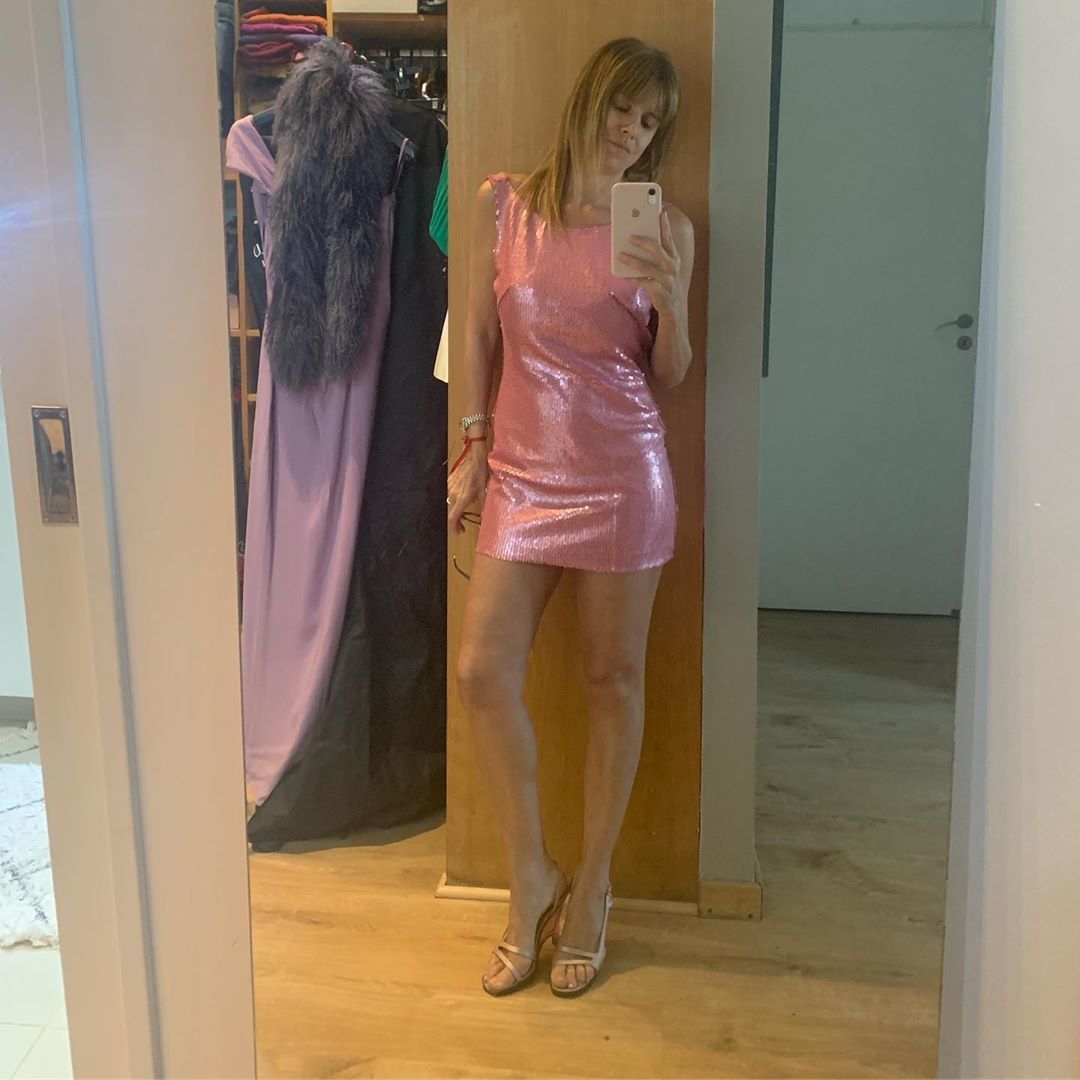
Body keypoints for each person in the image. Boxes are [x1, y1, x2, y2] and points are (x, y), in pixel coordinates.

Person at [446, 37, 695, 999]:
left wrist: (672, 301)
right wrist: (472, 444)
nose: (633, 131)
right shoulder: (504, 204)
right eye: (623, 108)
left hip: (625, 475)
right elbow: (477, 330)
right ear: (590, 99)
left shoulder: (665, 226)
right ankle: (531, 878)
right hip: (521, 476)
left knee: (613, 679)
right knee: (481, 671)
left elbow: (671, 374)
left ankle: (591, 887)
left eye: (651, 120)